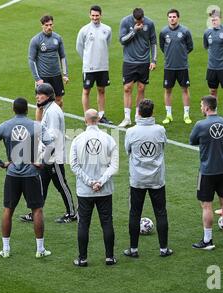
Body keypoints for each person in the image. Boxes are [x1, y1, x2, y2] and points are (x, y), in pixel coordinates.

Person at [0, 97, 53, 258]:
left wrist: (1, 164)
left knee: (8, 210)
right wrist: (42, 162)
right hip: (31, 173)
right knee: (37, 209)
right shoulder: (36, 126)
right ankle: (40, 249)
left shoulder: (5, 126)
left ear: (13, 110)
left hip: (12, 174)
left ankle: (6, 249)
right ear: (27, 110)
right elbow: (51, 144)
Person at [19, 83, 77, 223]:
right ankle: (36, 212)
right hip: (49, 155)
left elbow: (52, 136)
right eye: (37, 94)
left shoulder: (52, 112)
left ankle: (71, 213)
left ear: (48, 96)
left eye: (40, 94)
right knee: (41, 185)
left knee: (61, 184)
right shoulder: (50, 109)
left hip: (53, 156)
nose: (37, 97)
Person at [124, 99, 173, 258]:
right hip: (157, 178)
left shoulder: (131, 131)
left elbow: (128, 150)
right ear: (152, 113)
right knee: (161, 213)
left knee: (134, 213)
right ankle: (164, 249)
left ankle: (133, 249)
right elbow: (163, 147)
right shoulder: (160, 130)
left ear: (138, 112)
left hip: (137, 179)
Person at [70, 109, 119, 266]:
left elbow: (74, 166)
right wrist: (101, 181)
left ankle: (83, 259)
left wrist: (90, 182)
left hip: (85, 191)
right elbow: (114, 166)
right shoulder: (109, 139)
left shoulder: (77, 140)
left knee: (83, 223)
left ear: (85, 121)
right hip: (105, 190)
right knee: (107, 222)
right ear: (98, 120)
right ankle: (110, 257)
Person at [190, 96, 223, 250]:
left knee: (206, 206)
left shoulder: (200, 125)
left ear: (207, 107)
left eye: (202, 105)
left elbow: (192, 140)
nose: (201, 108)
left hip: (207, 171)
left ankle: (208, 240)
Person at [118, 7, 157, 128]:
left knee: (141, 88)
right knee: (127, 88)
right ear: (133, 18)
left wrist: (153, 60)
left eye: (141, 20)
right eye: (137, 20)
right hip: (129, 61)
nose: (139, 22)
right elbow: (122, 40)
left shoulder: (149, 23)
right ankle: (127, 118)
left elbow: (153, 42)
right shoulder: (125, 22)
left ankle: (138, 116)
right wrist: (134, 30)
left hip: (144, 61)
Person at [76, 5, 113, 124]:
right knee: (86, 91)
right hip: (89, 67)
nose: (95, 18)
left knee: (101, 90)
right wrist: (87, 59)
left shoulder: (107, 29)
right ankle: (87, 116)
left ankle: (101, 115)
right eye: (93, 15)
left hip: (102, 66)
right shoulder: (84, 30)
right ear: (89, 15)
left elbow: (107, 44)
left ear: (101, 15)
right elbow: (79, 47)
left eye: (97, 15)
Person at [29, 14, 69, 120]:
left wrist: (65, 74)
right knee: (40, 104)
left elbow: (63, 57)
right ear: (42, 25)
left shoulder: (57, 38)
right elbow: (31, 60)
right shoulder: (36, 40)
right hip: (43, 77)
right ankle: (38, 129)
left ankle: (58, 124)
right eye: (46, 25)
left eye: (51, 25)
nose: (49, 27)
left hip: (56, 75)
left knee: (59, 101)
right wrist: (37, 79)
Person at [159, 9, 193, 125]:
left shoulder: (185, 31)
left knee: (185, 89)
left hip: (182, 66)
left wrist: (181, 55)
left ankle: (186, 115)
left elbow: (190, 47)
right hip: (169, 67)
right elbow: (163, 47)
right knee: (168, 90)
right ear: (167, 18)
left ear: (178, 18)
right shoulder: (163, 32)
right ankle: (168, 115)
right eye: (170, 17)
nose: (172, 18)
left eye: (174, 16)